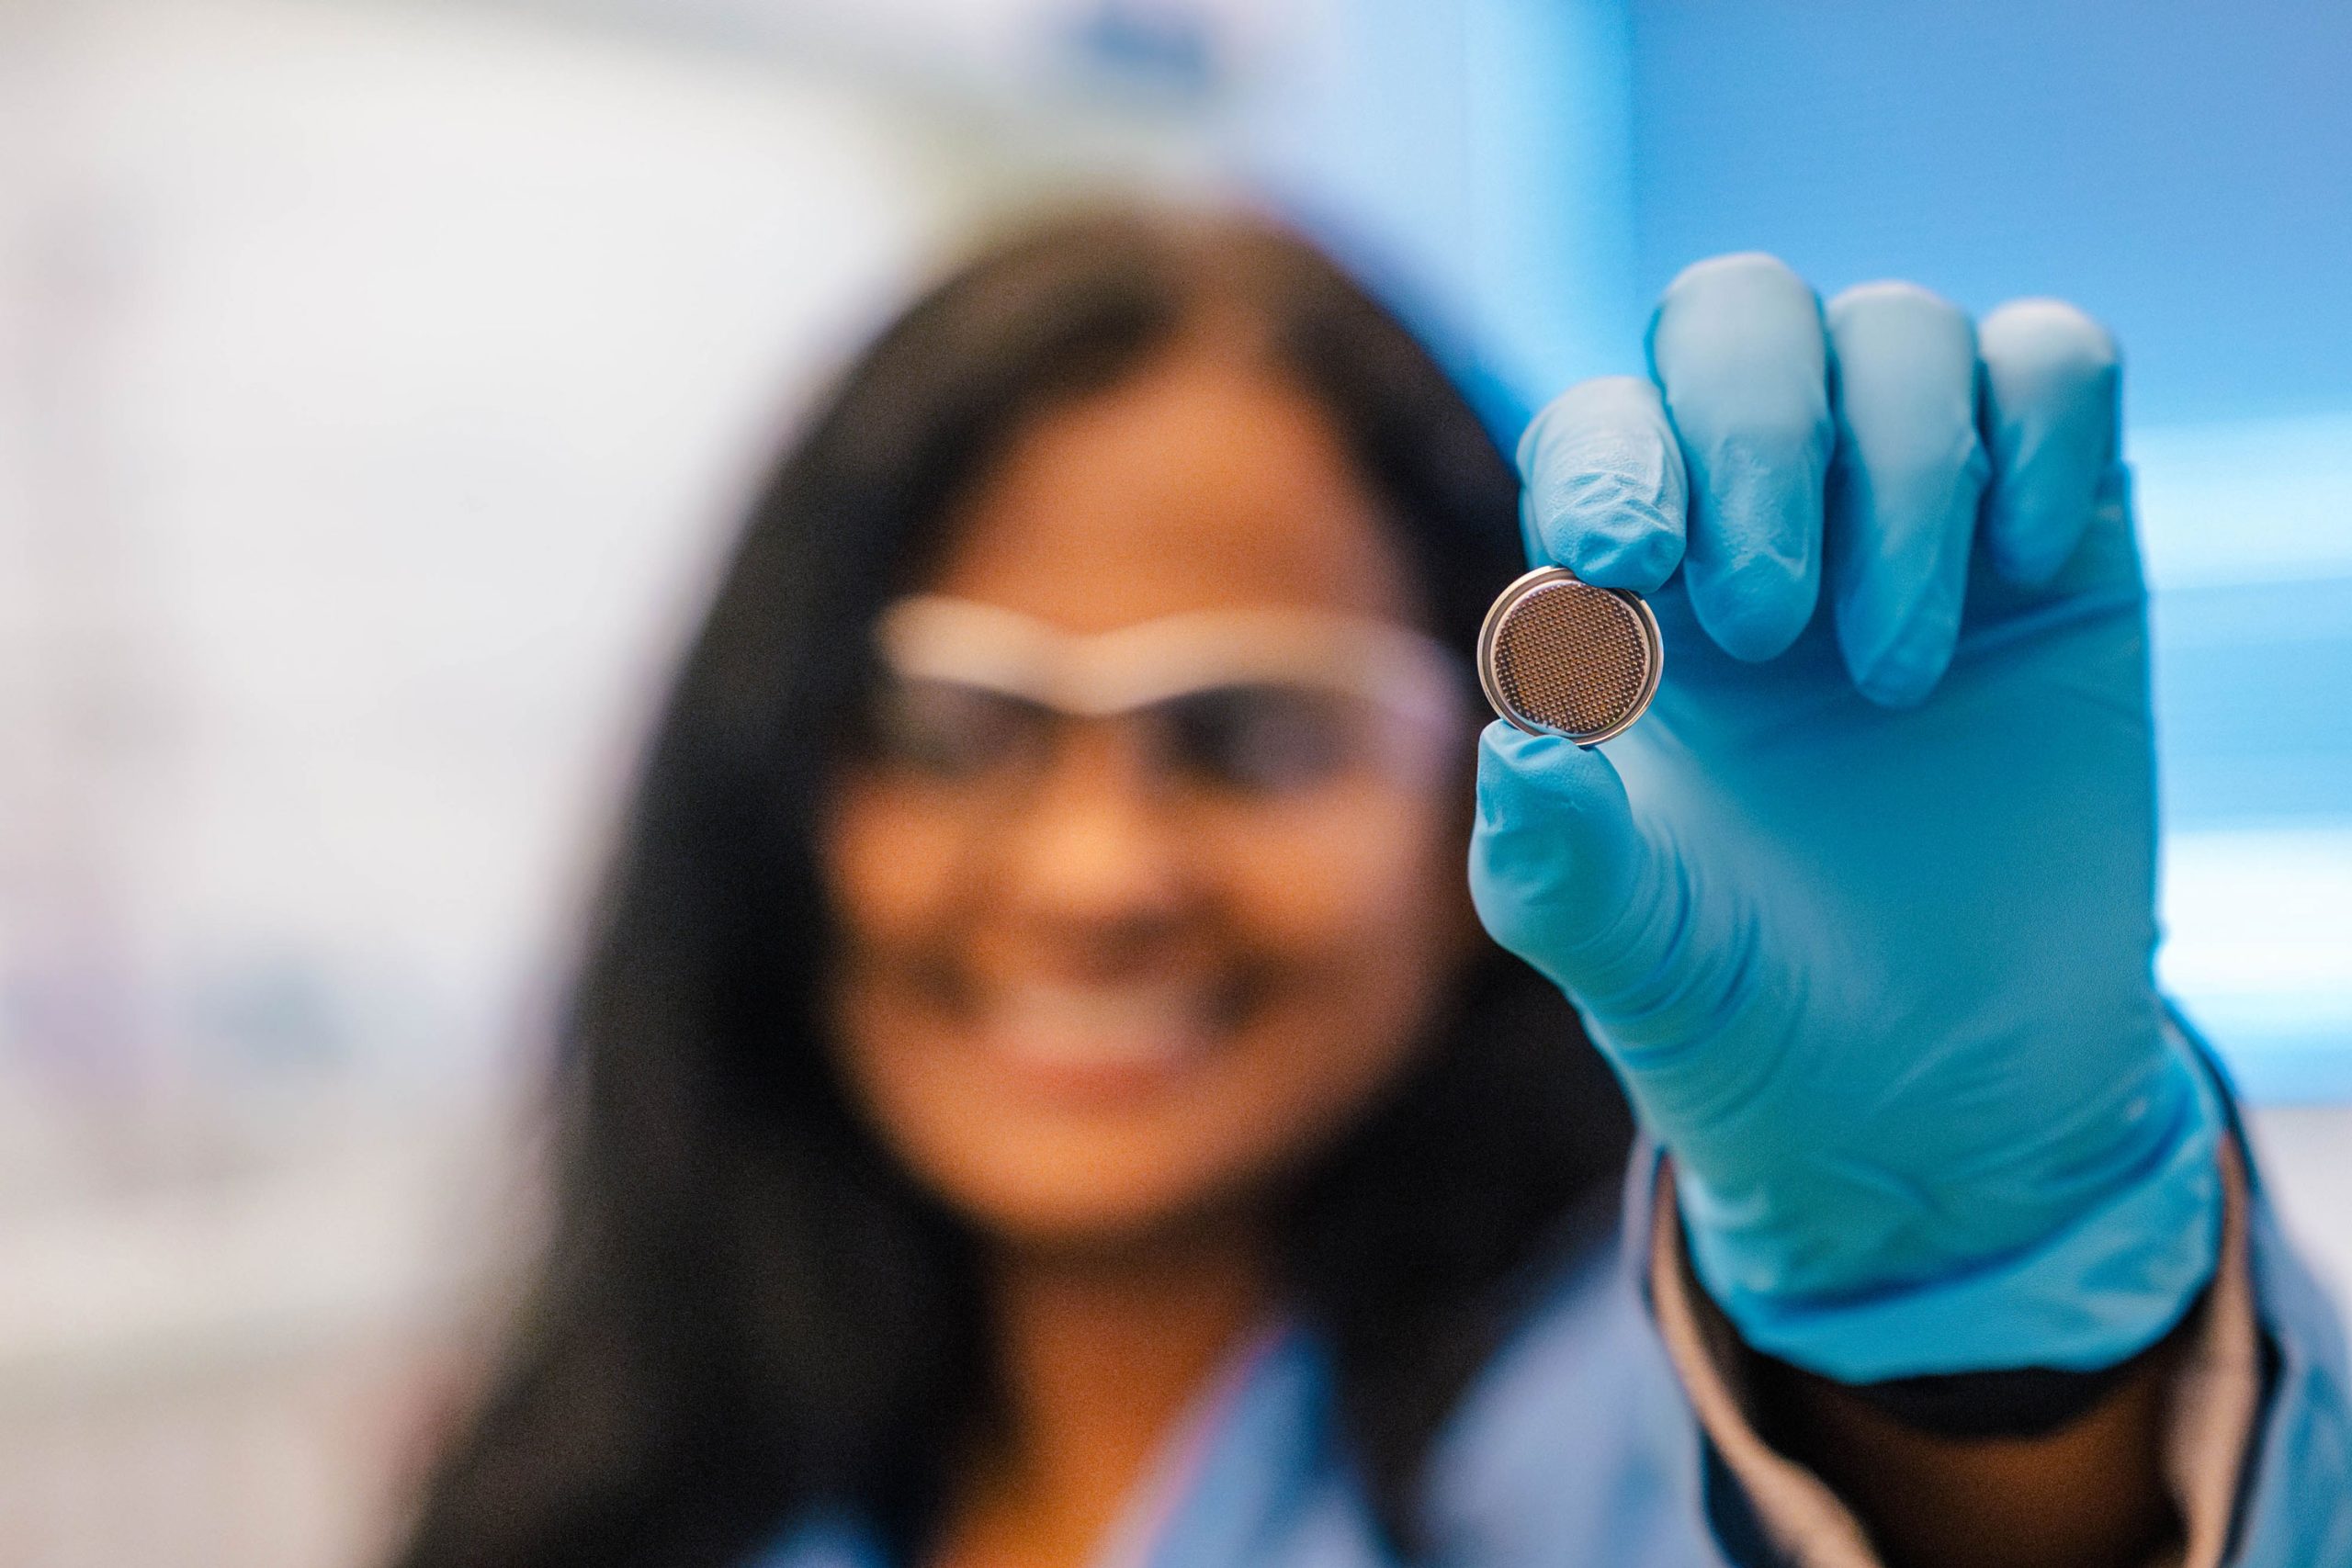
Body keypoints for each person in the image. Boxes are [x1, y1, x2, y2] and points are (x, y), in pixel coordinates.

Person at [390, 209, 2351, 1568]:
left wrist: (1983, 1322)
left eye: (1247, 735)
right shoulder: (623, 1463)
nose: (1092, 875)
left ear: (1473, 784)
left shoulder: (1655, 1443)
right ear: (778, 784)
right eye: (959, 723)